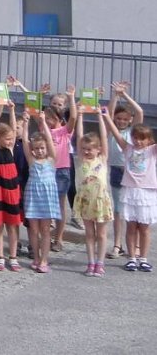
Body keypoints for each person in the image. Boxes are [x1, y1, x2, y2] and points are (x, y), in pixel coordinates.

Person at [105, 109, 157, 273]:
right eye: (135, 138)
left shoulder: (151, 151)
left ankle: (143, 258)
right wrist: (106, 116)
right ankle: (132, 258)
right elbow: (115, 133)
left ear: (149, 140)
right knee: (131, 227)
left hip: (146, 193)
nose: (138, 141)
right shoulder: (128, 148)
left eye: (142, 139)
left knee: (145, 228)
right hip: (130, 191)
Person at [73, 106, 112, 276]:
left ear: (98, 150)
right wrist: (80, 115)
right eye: (85, 149)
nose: (87, 152)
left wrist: (99, 116)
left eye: (91, 149)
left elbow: (104, 137)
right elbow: (80, 137)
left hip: (101, 200)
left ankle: (100, 263)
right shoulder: (81, 159)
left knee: (101, 234)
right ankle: (90, 262)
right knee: (89, 233)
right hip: (86, 201)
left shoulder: (102, 159)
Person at [107, 82, 143, 259]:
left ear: (129, 120)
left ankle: (134, 245)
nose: (120, 121)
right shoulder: (111, 131)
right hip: (115, 171)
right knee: (118, 210)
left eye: (124, 119)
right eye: (118, 118)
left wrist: (125, 96)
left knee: (133, 209)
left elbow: (140, 112)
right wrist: (115, 95)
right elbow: (108, 113)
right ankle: (117, 244)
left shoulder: (132, 131)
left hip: (131, 173)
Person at [22, 109, 60, 273]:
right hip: (33, 197)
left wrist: (43, 121)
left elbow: (50, 141)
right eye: (36, 148)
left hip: (47, 199)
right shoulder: (31, 160)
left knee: (45, 230)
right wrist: (25, 122)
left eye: (42, 148)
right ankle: (36, 257)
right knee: (33, 230)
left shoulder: (51, 160)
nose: (39, 151)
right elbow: (24, 141)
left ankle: (44, 259)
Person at [0, 99, 22, 272]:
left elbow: (14, 130)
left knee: (13, 226)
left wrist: (12, 110)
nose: (10, 141)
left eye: (11, 139)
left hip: (12, 191)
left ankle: (13, 257)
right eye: (6, 139)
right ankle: (0, 256)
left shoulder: (11, 150)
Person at [45, 87, 77, 252]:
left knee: (59, 205)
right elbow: (35, 112)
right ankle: (46, 238)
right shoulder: (45, 132)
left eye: (51, 118)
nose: (48, 121)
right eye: (47, 118)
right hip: (47, 170)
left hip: (62, 171)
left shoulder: (64, 131)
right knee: (47, 206)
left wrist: (71, 97)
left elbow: (73, 117)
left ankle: (59, 238)